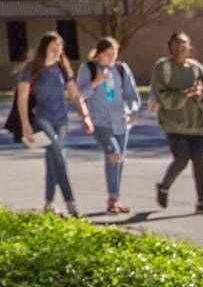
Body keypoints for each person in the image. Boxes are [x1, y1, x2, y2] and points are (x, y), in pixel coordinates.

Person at [14, 30, 94, 216]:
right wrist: (26, 125)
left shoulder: (62, 69)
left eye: (59, 50)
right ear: (43, 49)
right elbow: (22, 99)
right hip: (40, 118)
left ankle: (48, 203)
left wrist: (86, 117)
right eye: (53, 49)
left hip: (61, 119)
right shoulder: (31, 69)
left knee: (53, 160)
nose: (57, 53)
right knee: (59, 155)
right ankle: (71, 202)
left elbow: (75, 95)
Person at [150, 31, 203, 214]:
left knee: (199, 163)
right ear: (170, 46)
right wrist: (185, 94)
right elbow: (161, 96)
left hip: (197, 125)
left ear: (191, 47)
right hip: (173, 124)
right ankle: (164, 187)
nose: (180, 47)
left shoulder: (197, 69)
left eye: (184, 44)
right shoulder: (163, 67)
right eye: (176, 43)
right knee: (181, 159)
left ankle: (201, 202)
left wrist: (199, 95)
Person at [75, 36, 142, 215]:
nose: (111, 58)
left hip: (120, 121)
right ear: (98, 54)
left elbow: (131, 94)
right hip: (100, 121)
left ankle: (115, 198)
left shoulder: (121, 69)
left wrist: (133, 112)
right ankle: (112, 200)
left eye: (114, 54)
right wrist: (97, 81)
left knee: (119, 159)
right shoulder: (87, 68)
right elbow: (79, 94)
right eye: (107, 54)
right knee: (113, 154)